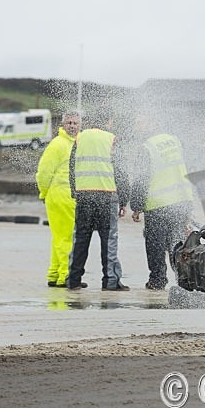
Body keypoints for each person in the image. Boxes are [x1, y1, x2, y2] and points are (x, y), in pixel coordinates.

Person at [65, 109, 130, 291]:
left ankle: (73, 281)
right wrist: (124, 200)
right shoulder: (111, 139)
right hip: (106, 196)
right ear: (107, 122)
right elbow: (121, 171)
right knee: (108, 240)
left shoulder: (80, 138)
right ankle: (110, 282)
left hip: (84, 196)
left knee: (80, 239)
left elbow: (72, 168)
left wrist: (74, 192)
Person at [130, 124, 193, 291]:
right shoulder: (176, 142)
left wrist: (136, 206)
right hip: (180, 201)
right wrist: (189, 204)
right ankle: (183, 280)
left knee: (155, 246)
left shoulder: (147, 148)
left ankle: (157, 281)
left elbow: (141, 178)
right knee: (177, 244)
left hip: (157, 204)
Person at [35, 110, 86, 288]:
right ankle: (66, 275)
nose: (72, 126)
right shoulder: (58, 144)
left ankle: (54, 274)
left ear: (80, 125)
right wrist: (44, 192)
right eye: (69, 123)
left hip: (64, 196)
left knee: (59, 237)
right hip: (61, 195)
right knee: (67, 238)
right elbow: (43, 172)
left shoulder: (77, 144)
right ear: (62, 125)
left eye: (75, 123)